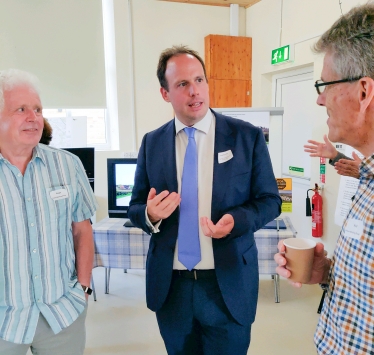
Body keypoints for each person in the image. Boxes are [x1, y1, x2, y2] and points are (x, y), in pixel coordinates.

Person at [128, 45, 281, 355]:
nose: (194, 90)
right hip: (172, 289)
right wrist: (150, 214)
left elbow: (270, 200)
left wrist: (237, 221)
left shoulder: (246, 137)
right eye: (182, 84)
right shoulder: (152, 142)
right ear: (165, 93)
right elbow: (135, 206)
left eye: (199, 80)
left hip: (227, 286)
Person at [275, 3, 374, 354]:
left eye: (325, 84)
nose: (319, 100)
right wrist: (328, 272)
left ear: (364, 92)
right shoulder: (367, 180)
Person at [0, 69, 97, 355]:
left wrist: (83, 288)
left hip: (62, 314)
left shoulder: (68, 166)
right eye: (21, 109)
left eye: (38, 109)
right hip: (5, 320)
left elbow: (82, 230)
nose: (34, 117)